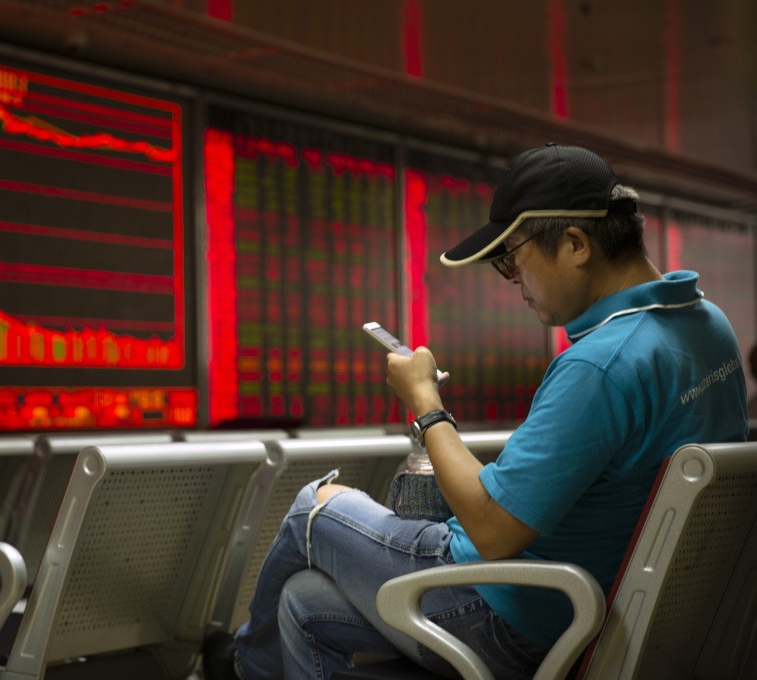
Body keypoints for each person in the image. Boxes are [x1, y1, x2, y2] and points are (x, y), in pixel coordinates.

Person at [200, 144, 749, 680]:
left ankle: (240, 668)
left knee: (311, 508)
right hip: (608, 610)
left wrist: (425, 405)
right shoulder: (707, 326)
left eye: (513, 259)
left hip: (520, 616)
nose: (514, 283)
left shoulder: (600, 365)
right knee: (302, 603)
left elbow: (492, 531)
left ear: (576, 244)